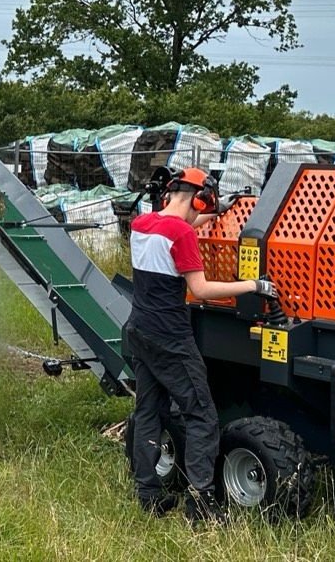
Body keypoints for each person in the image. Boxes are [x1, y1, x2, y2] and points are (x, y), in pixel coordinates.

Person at [124, 167, 276, 522]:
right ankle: (201, 505)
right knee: (202, 416)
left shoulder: (142, 224)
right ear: (199, 197)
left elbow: (179, 227)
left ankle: (148, 494)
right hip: (171, 339)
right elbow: (203, 289)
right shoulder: (181, 235)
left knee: (148, 411)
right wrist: (254, 286)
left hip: (140, 330)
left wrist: (218, 210)